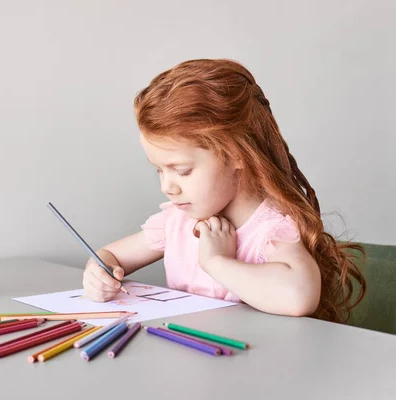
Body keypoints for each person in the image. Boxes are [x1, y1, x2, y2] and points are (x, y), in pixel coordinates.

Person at [83, 59, 366, 322]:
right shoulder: (178, 222)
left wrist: (216, 262)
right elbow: (110, 255)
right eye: (159, 169)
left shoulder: (269, 230)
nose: (166, 186)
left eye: (182, 171)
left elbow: (300, 298)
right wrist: (100, 273)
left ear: (236, 155)